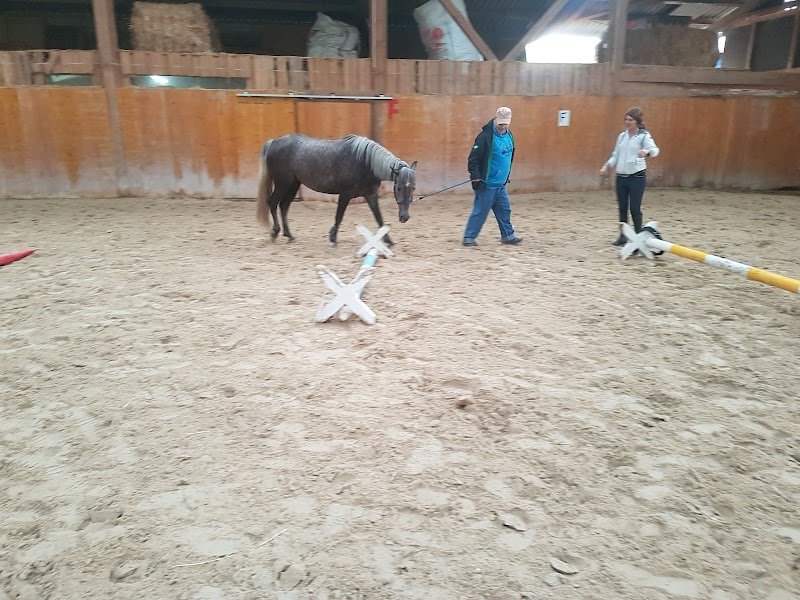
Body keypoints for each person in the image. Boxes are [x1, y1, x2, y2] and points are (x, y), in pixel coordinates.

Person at [462, 106, 522, 247]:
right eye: (501, 123)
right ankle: (469, 237)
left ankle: (508, 236)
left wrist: (506, 175)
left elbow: (509, 156)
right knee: (480, 212)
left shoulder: (509, 135)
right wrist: (476, 176)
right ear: (495, 119)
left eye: (506, 123)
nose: (503, 126)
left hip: (501, 184)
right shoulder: (485, 137)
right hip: (487, 184)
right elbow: (473, 159)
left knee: (504, 210)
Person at [600, 107, 660, 246]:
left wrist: (646, 151)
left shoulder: (644, 136)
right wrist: (607, 165)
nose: (627, 122)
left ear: (637, 121)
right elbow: (616, 155)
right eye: (626, 119)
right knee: (622, 208)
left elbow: (655, 150)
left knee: (634, 208)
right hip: (621, 177)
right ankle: (623, 236)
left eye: (631, 120)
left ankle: (638, 236)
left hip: (636, 177)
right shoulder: (621, 136)